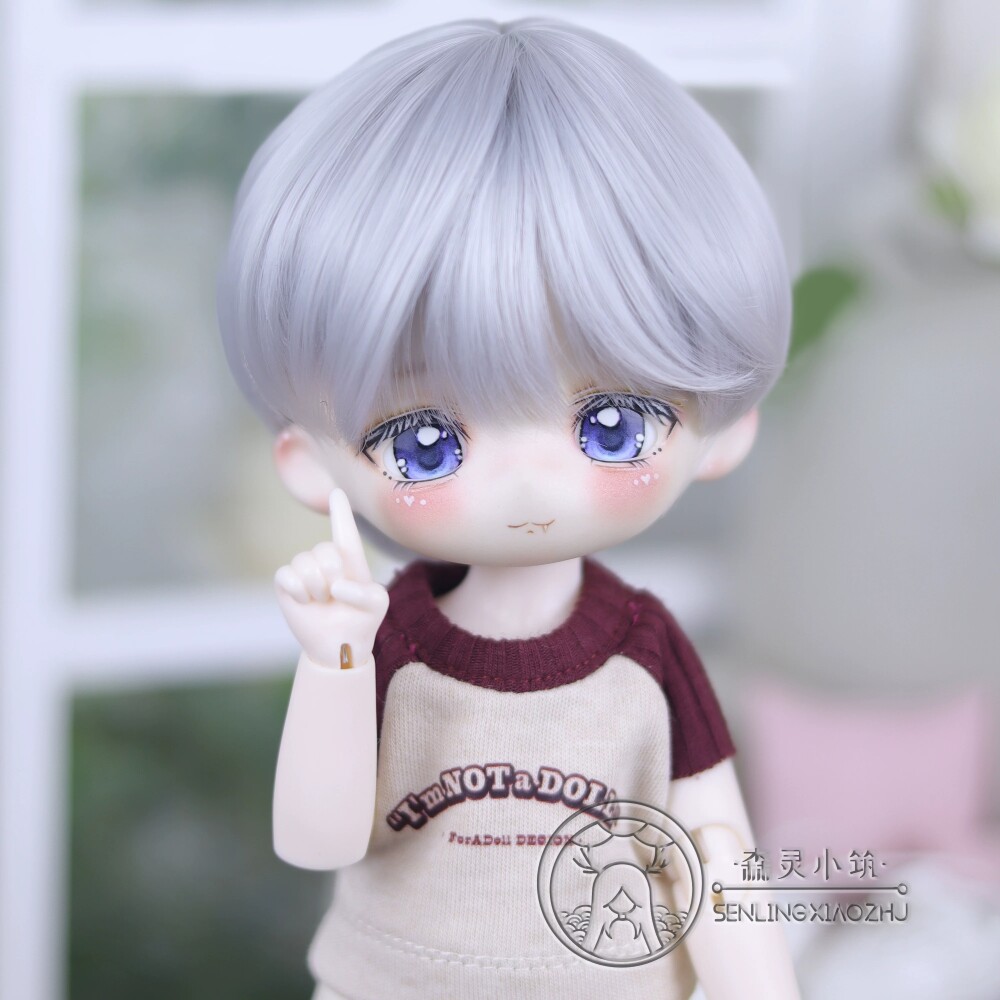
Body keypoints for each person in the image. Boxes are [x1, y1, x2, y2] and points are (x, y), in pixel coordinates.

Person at [217, 18, 800, 999]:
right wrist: (332, 664)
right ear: (311, 464)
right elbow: (319, 838)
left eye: (612, 424)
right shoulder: (386, 642)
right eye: (425, 441)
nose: (528, 483)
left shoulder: (647, 653)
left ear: (723, 428)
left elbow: (711, 844)